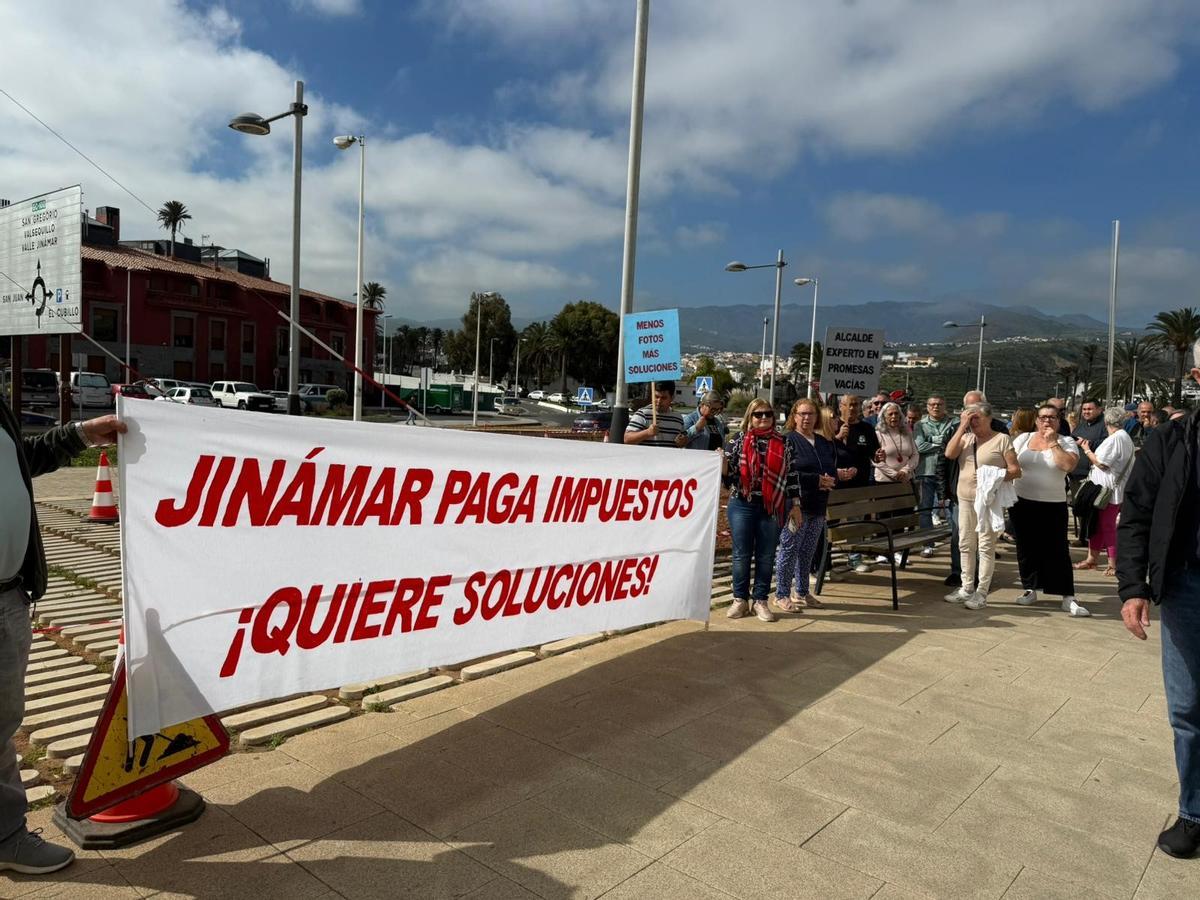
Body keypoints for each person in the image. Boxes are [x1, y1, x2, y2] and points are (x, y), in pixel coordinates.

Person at [1, 396, 126, 874]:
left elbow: (19, 461)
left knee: (2, 723)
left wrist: (81, 434)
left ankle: (6, 837)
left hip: (10, 594)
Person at [1117, 341, 1200, 858]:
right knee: (1189, 709)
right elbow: (1137, 516)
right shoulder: (1172, 439)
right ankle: (1194, 811)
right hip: (1187, 587)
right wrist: (1133, 588)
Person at [1009, 404, 1089, 616]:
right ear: (1036, 420)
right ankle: (1030, 588)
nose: (1047, 421)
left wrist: (1052, 442)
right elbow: (1009, 463)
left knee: (1057, 550)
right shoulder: (1023, 439)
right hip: (1021, 501)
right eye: (1043, 417)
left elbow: (1067, 466)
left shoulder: (1066, 441)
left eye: (1052, 417)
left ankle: (1067, 595)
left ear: (1058, 420)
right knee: (1026, 548)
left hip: (1052, 503)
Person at [943, 399, 1020, 610]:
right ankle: (966, 587)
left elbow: (1016, 470)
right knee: (965, 543)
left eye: (975, 417)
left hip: (988, 501)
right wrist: (961, 427)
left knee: (985, 545)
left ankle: (981, 592)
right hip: (965, 498)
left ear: (988, 418)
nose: (972, 421)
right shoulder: (965, 438)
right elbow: (949, 454)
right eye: (968, 417)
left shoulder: (1002, 439)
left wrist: (994, 475)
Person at [722, 398, 790, 623]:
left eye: (768, 414)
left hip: (771, 506)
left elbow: (793, 477)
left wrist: (796, 505)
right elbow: (728, 478)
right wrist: (723, 465)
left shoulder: (784, 442)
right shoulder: (738, 440)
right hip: (742, 503)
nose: (763, 418)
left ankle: (760, 600)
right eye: (758, 414)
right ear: (749, 417)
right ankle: (739, 599)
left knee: (766, 555)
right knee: (741, 554)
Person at [774, 398, 837, 612]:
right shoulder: (788, 440)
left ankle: (801, 591)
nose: (807, 418)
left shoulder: (822, 442)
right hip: (796, 506)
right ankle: (781, 594)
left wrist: (833, 477)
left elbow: (829, 467)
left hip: (818, 505)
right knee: (789, 549)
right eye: (802, 414)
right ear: (794, 416)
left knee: (808, 551)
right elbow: (785, 473)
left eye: (811, 414)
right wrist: (816, 480)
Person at [1075, 406, 1135, 576]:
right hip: (1107, 488)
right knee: (1098, 525)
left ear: (1106, 421)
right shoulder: (1123, 438)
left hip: (1106, 490)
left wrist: (1086, 450)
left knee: (1107, 526)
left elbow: (1102, 463)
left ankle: (1112, 563)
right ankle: (1092, 559)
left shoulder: (1116, 438)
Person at [834, 394, 884, 574]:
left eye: (855, 404)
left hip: (859, 486)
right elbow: (823, 452)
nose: (852, 408)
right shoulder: (831, 426)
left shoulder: (866, 428)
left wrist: (878, 457)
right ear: (841, 406)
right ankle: (821, 561)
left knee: (856, 525)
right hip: (835, 486)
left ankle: (854, 559)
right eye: (848, 404)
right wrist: (838, 437)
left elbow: (874, 453)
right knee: (830, 524)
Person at [914, 396, 954, 549]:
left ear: (945, 406)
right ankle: (927, 545)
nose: (936, 407)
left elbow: (956, 442)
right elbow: (919, 446)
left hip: (947, 472)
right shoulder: (920, 424)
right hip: (926, 471)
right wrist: (943, 443)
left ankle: (954, 542)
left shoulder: (954, 423)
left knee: (951, 509)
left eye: (939, 404)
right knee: (925, 509)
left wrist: (931, 440)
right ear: (927, 406)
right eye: (932, 404)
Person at [624, 381, 686, 448]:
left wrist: (682, 441)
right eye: (656, 397)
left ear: (672, 398)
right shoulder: (643, 414)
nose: (659, 401)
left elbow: (682, 442)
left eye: (663, 398)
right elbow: (627, 439)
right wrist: (647, 433)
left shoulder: (678, 418)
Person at [873, 402, 919, 483]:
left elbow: (915, 455)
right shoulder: (878, 435)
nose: (894, 416)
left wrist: (905, 470)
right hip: (885, 481)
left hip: (906, 479)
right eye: (890, 414)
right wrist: (895, 474)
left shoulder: (907, 433)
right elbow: (875, 460)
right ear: (884, 417)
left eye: (896, 413)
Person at [1070, 399, 1107, 483]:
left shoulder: (1106, 425)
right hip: (1074, 473)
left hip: (1092, 476)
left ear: (1099, 410)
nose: (1086, 412)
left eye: (1090, 409)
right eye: (1084, 409)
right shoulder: (1081, 425)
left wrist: (1087, 443)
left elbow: (1107, 443)